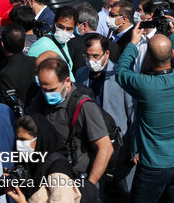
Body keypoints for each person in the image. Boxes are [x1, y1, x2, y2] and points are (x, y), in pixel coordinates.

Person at [116, 20, 174, 203]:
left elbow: (121, 71)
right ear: (172, 54)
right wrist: (172, 34)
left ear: (149, 58)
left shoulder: (144, 85)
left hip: (152, 166)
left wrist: (133, 44)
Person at [29, 57, 113, 188]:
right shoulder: (41, 99)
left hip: (76, 181)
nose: (46, 94)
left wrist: (89, 187)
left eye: (51, 90)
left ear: (67, 81)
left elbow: (105, 148)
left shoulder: (83, 105)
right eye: (43, 88)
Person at [75, 33, 135, 195]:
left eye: (95, 56)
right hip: (91, 142)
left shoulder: (120, 75)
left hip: (119, 144)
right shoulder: (81, 74)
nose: (91, 60)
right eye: (87, 56)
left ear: (106, 54)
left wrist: (133, 146)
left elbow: (132, 112)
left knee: (125, 190)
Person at [7, 113, 82, 203]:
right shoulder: (31, 164)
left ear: (40, 139)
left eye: (24, 140)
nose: (19, 144)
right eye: (17, 139)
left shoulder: (58, 169)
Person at [27, 6, 77, 78]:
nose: (64, 31)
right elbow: (28, 69)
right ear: (54, 23)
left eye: (69, 29)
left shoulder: (63, 43)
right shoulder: (42, 44)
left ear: (74, 28)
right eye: (61, 26)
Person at [0, 23, 36, 105]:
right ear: (24, 43)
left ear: (2, 44)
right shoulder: (35, 62)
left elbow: (5, 104)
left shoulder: (5, 74)